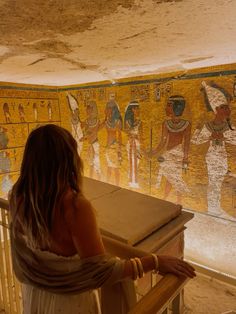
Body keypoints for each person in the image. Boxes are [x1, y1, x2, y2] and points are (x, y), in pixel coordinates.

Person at [9, 124, 195, 314]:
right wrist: (155, 262)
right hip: (69, 305)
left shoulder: (17, 196)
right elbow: (102, 272)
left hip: (34, 295)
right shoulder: (74, 207)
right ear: (69, 158)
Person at [192, 81, 236, 218]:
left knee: (219, 182)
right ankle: (213, 208)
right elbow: (196, 140)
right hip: (212, 158)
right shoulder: (208, 125)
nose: (228, 110)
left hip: (222, 158)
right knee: (214, 183)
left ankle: (215, 207)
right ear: (216, 110)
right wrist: (202, 131)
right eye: (224, 107)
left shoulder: (229, 126)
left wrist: (222, 136)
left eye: (227, 107)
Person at [149, 95, 191, 204]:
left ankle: (178, 201)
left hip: (177, 154)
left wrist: (185, 158)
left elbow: (186, 142)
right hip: (168, 154)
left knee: (176, 178)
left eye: (168, 105)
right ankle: (166, 198)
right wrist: (154, 151)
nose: (166, 108)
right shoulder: (166, 123)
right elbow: (163, 141)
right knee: (169, 177)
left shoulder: (186, 124)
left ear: (176, 107)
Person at [124, 101, 143, 189]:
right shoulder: (128, 122)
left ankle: (134, 181)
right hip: (131, 145)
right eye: (137, 108)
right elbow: (128, 134)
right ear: (132, 109)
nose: (138, 110)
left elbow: (141, 136)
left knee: (137, 162)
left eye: (138, 108)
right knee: (132, 162)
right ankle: (132, 181)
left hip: (137, 144)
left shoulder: (139, 122)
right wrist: (134, 137)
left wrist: (141, 145)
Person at [104, 99, 122, 186]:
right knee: (109, 168)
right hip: (108, 148)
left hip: (115, 148)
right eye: (107, 108)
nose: (107, 110)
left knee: (115, 169)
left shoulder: (117, 122)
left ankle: (117, 186)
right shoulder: (107, 121)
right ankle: (107, 185)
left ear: (113, 109)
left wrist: (119, 151)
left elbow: (119, 136)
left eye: (109, 108)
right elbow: (98, 128)